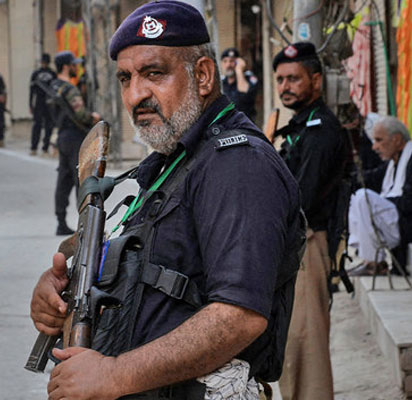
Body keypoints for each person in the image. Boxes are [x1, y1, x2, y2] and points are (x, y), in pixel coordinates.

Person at [29, 2, 303, 398]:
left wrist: (114, 374)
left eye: (154, 73)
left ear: (203, 75)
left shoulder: (238, 165)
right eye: (125, 78)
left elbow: (238, 317)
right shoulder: (174, 161)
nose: (136, 94)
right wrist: (62, 297)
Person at [272, 41, 348, 399]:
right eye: (281, 79)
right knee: (292, 345)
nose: (286, 86)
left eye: (294, 78)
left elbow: (301, 197)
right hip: (296, 246)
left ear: (316, 81)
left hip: (308, 245)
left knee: (306, 345)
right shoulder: (300, 125)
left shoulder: (320, 130)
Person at [348, 116, 412, 276]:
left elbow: (409, 202)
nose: (374, 147)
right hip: (396, 222)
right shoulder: (392, 163)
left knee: (364, 197)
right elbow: (368, 177)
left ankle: (373, 262)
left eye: (378, 140)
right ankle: (371, 260)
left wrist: (383, 202)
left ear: (397, 140)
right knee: (356, 196)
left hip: (407, 224)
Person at [50, 50, 100, 236]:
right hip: (75, 136)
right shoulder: (69, 89)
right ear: (66, 66)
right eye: (73, 65)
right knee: (82, 178)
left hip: (62, 136)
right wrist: (93, 117)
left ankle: (61, 221)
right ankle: (85, 223)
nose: (76, 68)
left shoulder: (54, 86)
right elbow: (80, 114)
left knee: (63, 179)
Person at [220, 47, 258, 121]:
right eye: (225, 61)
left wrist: (239, 70)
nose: (228, 65)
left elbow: (244, 95)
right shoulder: (221, 82)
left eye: (231, 61)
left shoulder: (249, 78)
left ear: (238, 62)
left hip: (245, 126)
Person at [29, 53, 56, 155]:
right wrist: (30, 104)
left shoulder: (52, 74)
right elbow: (31, 90)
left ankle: (45, 147)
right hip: (39, 102)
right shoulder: (36, 74)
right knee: (37, 125)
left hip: (49, 102)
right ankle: (34, 147)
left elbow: (54, 90)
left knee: (49, 125)